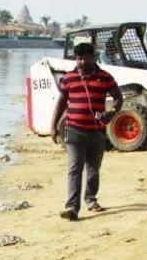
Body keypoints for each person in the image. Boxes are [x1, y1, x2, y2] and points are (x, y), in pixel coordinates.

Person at [50, 43, 123, 220]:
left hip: (97, 132)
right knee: (74, 169)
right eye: (78, 58)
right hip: (74, 130)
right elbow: (61, 103)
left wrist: (110, 113)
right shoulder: (68, 78)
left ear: (93, 57)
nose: (82, 61)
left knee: (93, 168)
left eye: (85, 57)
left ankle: (90, 199)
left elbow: (118, 98)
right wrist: (53, 126)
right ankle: (72, 208)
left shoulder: (105, 77)